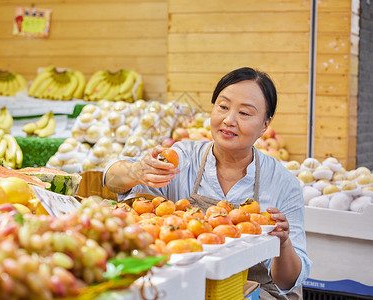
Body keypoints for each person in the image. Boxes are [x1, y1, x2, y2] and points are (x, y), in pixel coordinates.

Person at [103, 67, 311, 299]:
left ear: (265, 124)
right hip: (188, 287)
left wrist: (282, 244)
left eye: (244, 113)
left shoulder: (282, 183)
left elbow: (288, 281)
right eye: (222, 107)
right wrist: (137, 171)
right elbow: (111, 180)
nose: (229, 120)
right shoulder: (183, 158)